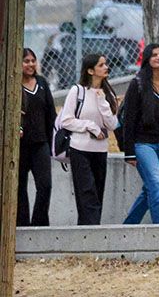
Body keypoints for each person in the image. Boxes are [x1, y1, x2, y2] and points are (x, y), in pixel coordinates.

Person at [57, 53, 119, 225]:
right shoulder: (77, 91)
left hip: (100, 151)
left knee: (97, 194)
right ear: (90, 71)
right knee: (86, 193)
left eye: (106, 64)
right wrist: (90, 126)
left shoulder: (108, 94)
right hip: (80, 149)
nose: (106, 67)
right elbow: (66, 120)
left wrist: (102, 101)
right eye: (101, 65)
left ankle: (89, 231)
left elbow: (112, 124)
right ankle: (89, 232)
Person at [120, 43, 159, 224]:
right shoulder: (137, 84)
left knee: (151, 189)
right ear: (147, 59)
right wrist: (129, 152)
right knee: (158, 189)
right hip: (143, 144)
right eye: (154, 55)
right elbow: (129, 120)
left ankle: (127, 227)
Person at [17, 48, 56, 226]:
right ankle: (22, 224)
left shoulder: (41, 83)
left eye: (33, 60)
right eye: (26, 61)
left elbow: (51, 114)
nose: (31, 64)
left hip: (41, 144)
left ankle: (39, 224)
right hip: (20, 145)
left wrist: (53, 141)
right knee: (20, 187)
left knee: (45, 185)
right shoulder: (13, 85)